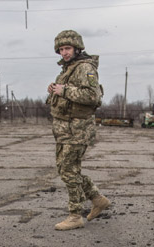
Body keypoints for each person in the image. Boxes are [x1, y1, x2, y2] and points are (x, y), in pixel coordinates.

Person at [46, 30, 110, 231]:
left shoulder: (85, 67)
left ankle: (75, 215)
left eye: (67, 48)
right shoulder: (68, 69)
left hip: (78, 129)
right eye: (61, 49)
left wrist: (63, 90)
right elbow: (67, 95)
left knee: (68, 170)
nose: (64, 52)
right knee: (67, 170)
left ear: (77, 48)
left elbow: (93, 96)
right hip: (65, 129)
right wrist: (54, 90)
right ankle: (97, 199)